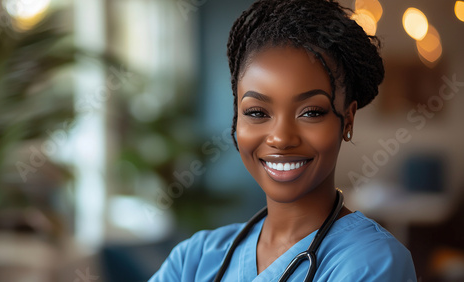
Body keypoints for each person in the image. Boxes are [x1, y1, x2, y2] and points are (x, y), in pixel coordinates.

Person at [150, 0, 417, 281]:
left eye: (311, 112)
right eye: (257, 112)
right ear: (236, 119)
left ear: (347, 120)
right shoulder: (193, 259)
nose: (281, 138)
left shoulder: (372, 263)